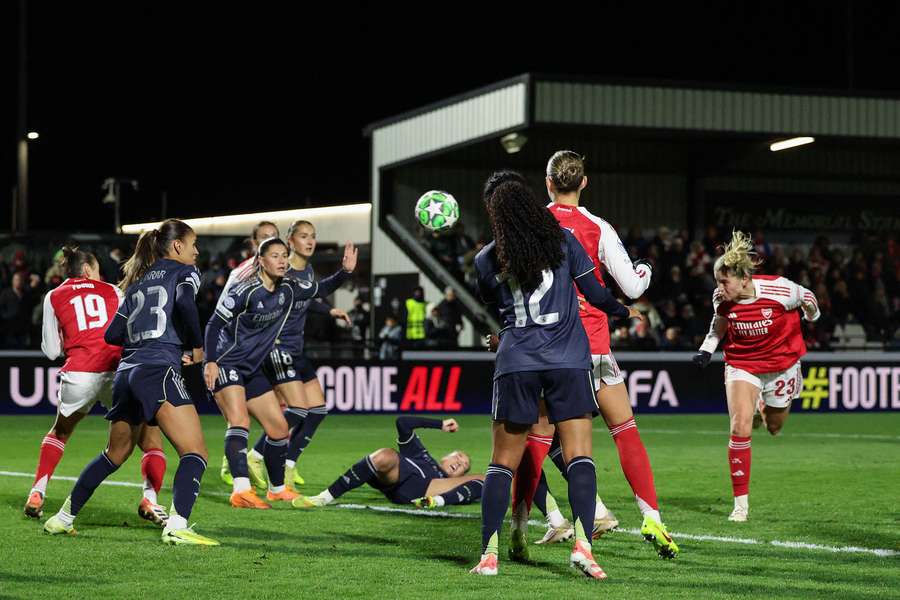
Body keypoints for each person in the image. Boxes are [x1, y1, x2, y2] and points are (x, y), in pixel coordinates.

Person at [469, 173, 642, 579]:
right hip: (567, 360)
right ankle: (584, 547)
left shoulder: (485, 258)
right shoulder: (564, 241)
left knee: (501, 464)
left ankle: (489, 556)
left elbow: (495, 304)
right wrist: (623, 311)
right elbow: (597, 297)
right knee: (580, 456)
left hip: (517, 362)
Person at [516, 151, 677, 560]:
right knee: (624, 429)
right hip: (596, 345)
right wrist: (644, 269)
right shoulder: (598, 227)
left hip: (549, 347)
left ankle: (522, 528)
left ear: (548, 183)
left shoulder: (529, 225)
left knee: (536, 438)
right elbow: (633, 288)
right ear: (583, 183)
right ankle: (652, 515)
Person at [44, 219, 217, 545]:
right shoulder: (185, 272)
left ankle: (62, 518)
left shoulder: (136, 285)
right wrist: (194, 344)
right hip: (157, 369)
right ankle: (177, 526)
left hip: (126, 373)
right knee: (195, 453)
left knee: (115, 454)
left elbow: (113, 334)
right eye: (193, 243)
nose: (197, 251)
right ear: (177, 245)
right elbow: (183, 304)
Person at [204, 237, 355, 509]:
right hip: (228, 362)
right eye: (275, 255)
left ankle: (276, 489)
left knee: (279, 428)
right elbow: (214, 324)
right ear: (260, 261)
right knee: (239, 422)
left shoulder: (290, 287)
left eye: (284, 255)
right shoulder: (245, 291)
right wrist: (211, 361)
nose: (282, 260)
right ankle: (241, 490)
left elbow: (321, 288)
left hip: (252, 368)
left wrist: (345, 272)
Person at [24, 246, 169, 526]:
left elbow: (52, 350)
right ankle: (150, 499)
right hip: (119, 370)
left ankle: (37, 492)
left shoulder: (54, 296)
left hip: (80, 373)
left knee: (61, 431)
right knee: (150, 439)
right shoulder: (114, 291)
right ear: (89, 269)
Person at [693, 230, 820, 522]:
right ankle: (740, 505)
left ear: (745, 280)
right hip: (742, 364)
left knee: (774, 427)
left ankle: (764, 411)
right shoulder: (721, 299)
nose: (719, 287)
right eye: (717, 281)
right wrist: (706, 350)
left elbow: (808, 297)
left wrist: (812, 317)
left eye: (724, 281)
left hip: (781, 365)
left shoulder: (780, 290)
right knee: (739, 427)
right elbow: (718, 327)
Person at [245, 221, 352, 491]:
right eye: (303, 236)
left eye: (313, 236)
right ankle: (256, 455)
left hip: (296, 349)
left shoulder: (308, 271)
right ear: (290, 241)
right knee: (299, 409)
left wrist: (328, 311)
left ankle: (289, 464)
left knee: (318, 410)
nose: (310, 241)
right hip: (278, 348)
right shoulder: (283, 270)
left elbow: (307, 298)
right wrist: (344, 273)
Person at [293, 417, 483, 509]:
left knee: (487, 478)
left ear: (461, 476)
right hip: (395, 479)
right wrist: (439, 424)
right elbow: (403, 423)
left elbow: (474, 484)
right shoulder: (422, 456)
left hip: (428, 489)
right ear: (445, 457)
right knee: (385, 455)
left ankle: (435, 502)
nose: (460, 462)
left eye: (464, 465)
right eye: (458, 456)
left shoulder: (448, 480)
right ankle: (324, 497)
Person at [217, 221, 279, 484]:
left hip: (257, 357)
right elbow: (220, 315)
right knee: (239, 419)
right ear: (254, 244)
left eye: (274, 237)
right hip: (231, 355)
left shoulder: (280, 276)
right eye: (264, 238)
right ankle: (236, 470)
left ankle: (241, 462)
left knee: (279, 418)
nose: (270, 241)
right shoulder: (242, 275)